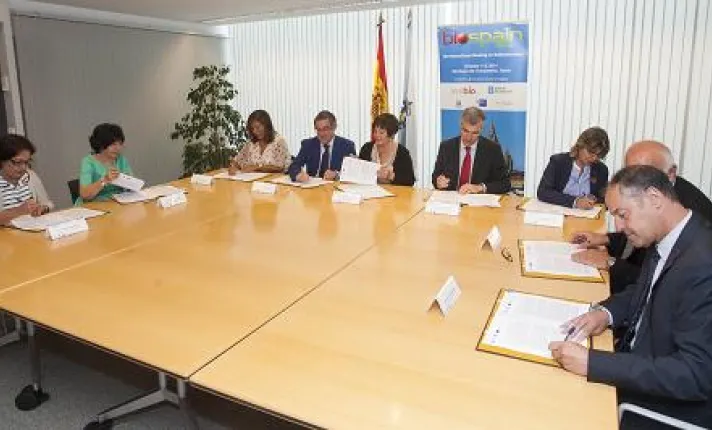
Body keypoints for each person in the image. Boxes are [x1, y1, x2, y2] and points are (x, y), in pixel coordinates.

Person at [550, 165, 712, 429]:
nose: (619, 226)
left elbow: (695, 375)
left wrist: (595, 363)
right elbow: (644, 290)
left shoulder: (703, 263)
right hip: (636, 362)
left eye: (623, 215)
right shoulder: (671, 237)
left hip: (661, 405)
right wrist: (605, 313)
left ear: (655, 198)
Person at [571, 140, 712, 293]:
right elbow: (636, 235)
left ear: (671, 173)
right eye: (629, 174)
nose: (631, 184)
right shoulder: (651, 200)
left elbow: (657, 283)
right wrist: (606, 239)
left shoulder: (687, 218)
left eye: (642, 175)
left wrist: (611, 263)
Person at [431, 106, 510, 194]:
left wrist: (480, 188)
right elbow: (435, 177)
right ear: (461, 126)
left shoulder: (492, 149)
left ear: (481, 129)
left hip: (478, 201)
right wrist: (438, 182)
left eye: (474, 133)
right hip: (451, 200)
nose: (469, 138)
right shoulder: (446, 147)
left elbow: (505, 184)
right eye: (466, 131)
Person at [537, 127, 610, 209]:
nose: (594, 158)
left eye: (599, 155)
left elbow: (602, 200)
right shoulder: (558, 162)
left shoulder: (602, 170)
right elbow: (543, 192)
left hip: (586, 216)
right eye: (591, 152)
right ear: (580, 145)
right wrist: (575, 201)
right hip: (558, 213)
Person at [287, 110, 356, 182]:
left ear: (334, 127)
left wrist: (337, 175)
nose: (321, 134)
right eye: (318, 130)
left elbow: (353, 173)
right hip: (312, 186)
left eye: (325, 129)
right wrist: (298, 175)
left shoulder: (347, 146)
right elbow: (294, 166)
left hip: (334, 187)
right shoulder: (308, 145)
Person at [0, 134, 54, 225]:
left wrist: (42, 208)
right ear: (2, 160)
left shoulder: (30, 176)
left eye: (26, 162)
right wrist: (18, 211)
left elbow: (48, 203)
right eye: (17, 162)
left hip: (32, 230)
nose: (23, 167)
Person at [77, 123, 133, 204]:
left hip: (116, 203)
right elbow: (84, 194)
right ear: (101, 144)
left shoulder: (121, 159)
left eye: (120, 144)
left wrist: (127, 182)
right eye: (113, 144)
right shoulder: (88, 162)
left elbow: (131, 186)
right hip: (93, 206)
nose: (118, 148)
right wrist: (105, 180)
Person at [358, 113, 415, 186]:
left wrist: (390, 176)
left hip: (394, 192)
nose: (377, 135)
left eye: (381, 133)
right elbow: (360, 175)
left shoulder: (402, 152)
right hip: (369, 190)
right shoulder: (366, 148)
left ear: (391, 134)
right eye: (375, 131)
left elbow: (410, 181)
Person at [228, 110, 291, 174]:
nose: (254, 131)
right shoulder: (251, 143)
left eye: (257, 127)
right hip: (253, 179)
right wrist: (233, 166)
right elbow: (237, 160)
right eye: (252, 129)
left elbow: (280, 167)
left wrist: (257, 167)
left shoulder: (279, 141)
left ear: (267, 126)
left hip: (276, 179)